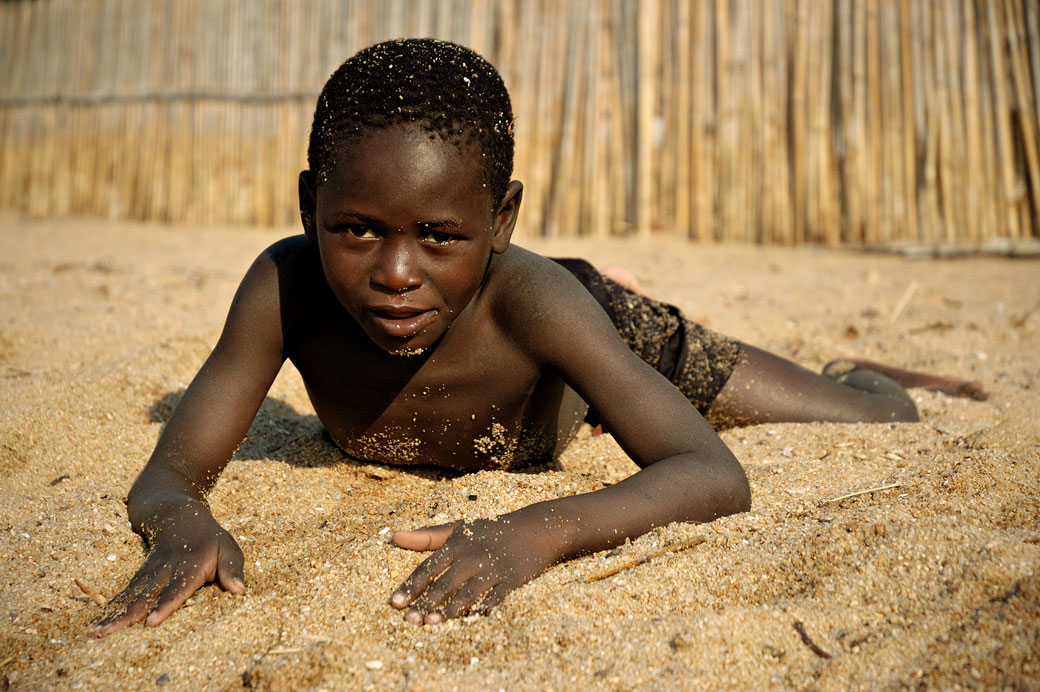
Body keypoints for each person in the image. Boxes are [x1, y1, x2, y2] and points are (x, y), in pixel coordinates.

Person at [88, 38, 983, 636]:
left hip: (604, 328)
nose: (396, 272)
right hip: (547, 321)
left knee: (877, 426)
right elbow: (172, 472)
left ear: (503, 218)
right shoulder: (284, 287)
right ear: (306, 207)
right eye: (356, 228)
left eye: (440, 235)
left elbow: (711, 471)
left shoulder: (538, 304)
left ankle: (862, 370)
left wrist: (536, 532)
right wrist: (178, 520)